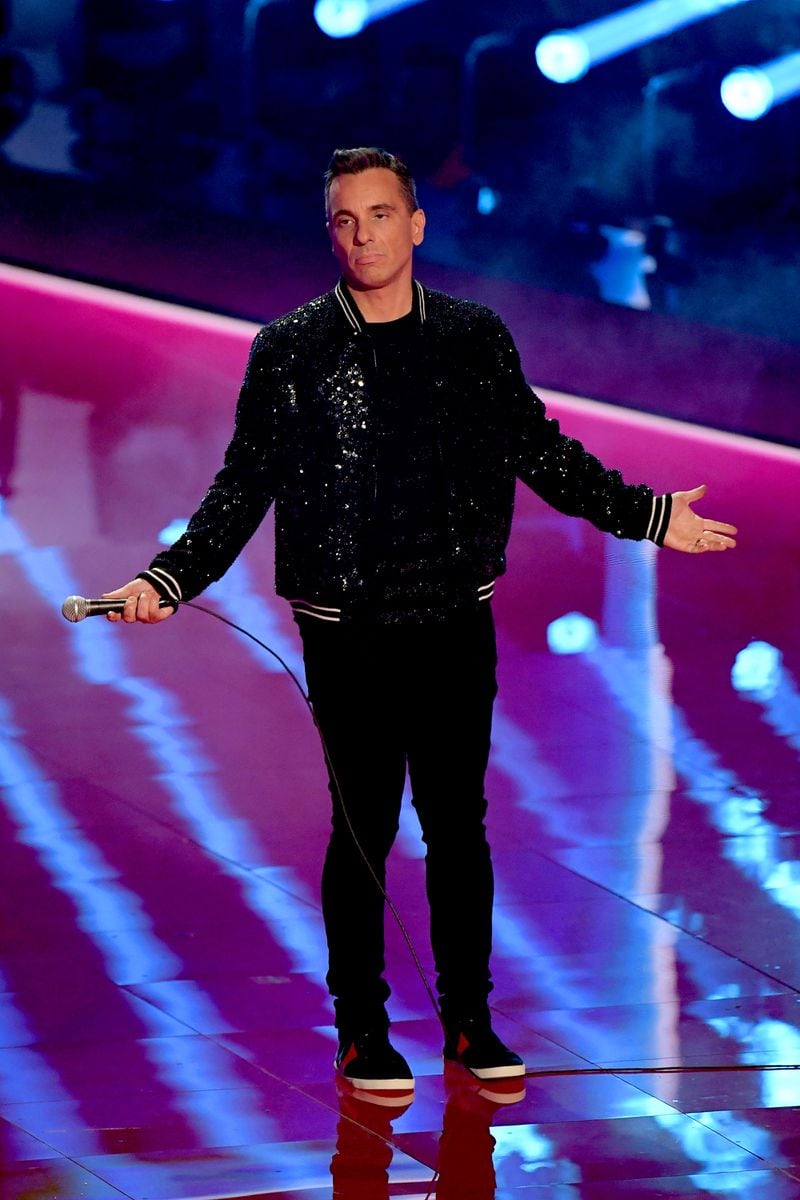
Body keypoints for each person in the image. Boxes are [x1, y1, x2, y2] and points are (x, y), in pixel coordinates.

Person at [102, 146, 737, 1095]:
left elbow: (544, 453)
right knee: (361, 826)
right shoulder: (292, 348)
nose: (363, 237)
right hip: (345, 626)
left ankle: (469, 1020)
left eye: (381, 216)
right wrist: (170, 577)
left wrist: (648, 516)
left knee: (459, 827)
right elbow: (244, 486)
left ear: (417, 224)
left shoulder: (474, 340)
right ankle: (361, 1029)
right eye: (345, 222)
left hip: (451, 618)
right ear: (332, 234)